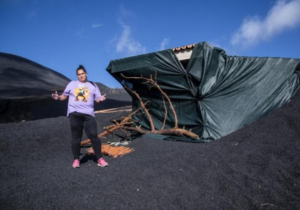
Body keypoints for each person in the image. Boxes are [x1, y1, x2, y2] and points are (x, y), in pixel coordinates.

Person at [52, 65, 108, 168]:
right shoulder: (72, 84)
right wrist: (57, 97)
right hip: (75, 113)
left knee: (93, 135)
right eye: (79, 74)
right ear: (77, 76)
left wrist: (101, 99)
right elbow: (64, 96)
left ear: (86, 74)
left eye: (82, 74)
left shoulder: (93, 85)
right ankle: (76, 160)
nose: (81, 76)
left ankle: (100, 158)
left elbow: (97, 99)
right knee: (76, 136)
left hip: (89, 115)